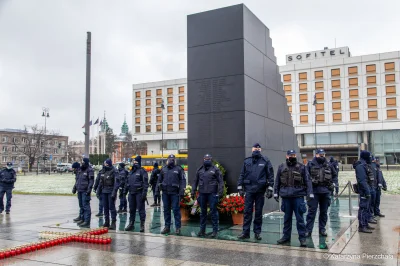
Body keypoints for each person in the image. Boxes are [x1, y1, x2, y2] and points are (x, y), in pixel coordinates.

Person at [274, 150, 312, 247]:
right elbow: (277, 181)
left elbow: (308, 181)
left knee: (300, 219)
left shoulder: (301, 167)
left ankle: (302, 238)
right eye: (290, 155)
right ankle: (286, 237)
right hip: (286, 198)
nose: (292, 156)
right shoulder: (281, 167)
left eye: (294, 155)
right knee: (287, 218)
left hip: (298, 197)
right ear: (287, 156)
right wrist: (275, 193)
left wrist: (310, 193)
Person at [237, 143, 274, 240]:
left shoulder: (265, 161)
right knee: (247, 212)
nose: (256, 149)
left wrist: (270, 188)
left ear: (260, 150)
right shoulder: (247, 161)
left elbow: (270, 175)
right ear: (252, 149)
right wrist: (240, 187)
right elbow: (242, 174)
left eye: (258, 148)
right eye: (255, 148)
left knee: (258, 213)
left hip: (260, 191)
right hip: (249, 190)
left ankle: (257, 233)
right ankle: (245, 232)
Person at [305, 149, 338, 237]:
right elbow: (306, 177)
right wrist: (309, 191)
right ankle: (308, 230)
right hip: (314, 192)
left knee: (324, 212)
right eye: (320, 154)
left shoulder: (329, 165)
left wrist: (333, 184)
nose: (322, 156)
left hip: (325, 191)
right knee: (312, 212)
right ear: (316, 155)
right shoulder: (310, 164)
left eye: (323, 154)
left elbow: (335, 175)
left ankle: (322, 229)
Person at [191, 154, 223, 238]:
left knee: (213, 212)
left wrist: (220, 192)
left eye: (208, 159)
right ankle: (202, 230)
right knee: (203, 213)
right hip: (202, 194)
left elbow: (220, 181)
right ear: (203, 159)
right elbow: (195, 181)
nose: (207, 160)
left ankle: (215, 231)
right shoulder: (200, 170)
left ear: (211, 159)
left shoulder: (215, 169)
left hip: (212, 194)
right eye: (205, 159)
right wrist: (193, 191)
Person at [157, 154, 186, 235]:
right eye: (170, 159)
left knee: (176, 210)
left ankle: (177, 228)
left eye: (173, 159)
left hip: (175, 193)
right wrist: (157, 190)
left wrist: (182, 192)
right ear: (167, 160)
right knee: (166, 210)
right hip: (165, 193)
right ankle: (167, 227)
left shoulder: (179, 169)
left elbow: (183, 181)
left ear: (175, 160)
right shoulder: (163, 169)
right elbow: (159, 181)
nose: (171, 160)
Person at [124, 156, 149, 232]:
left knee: (141, 209)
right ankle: (131, 224)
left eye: (135, 161)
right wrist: (125, 191)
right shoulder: (131, 172)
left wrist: (144, 193)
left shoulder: (142, 171)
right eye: (133, 161)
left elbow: (145, 183)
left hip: (139, 193)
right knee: (132, 209)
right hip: (131, 193)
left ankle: (142, 225)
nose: (134, 163)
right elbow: (127, 182)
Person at [353, 150, 375, 233]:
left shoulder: (365, 165)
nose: (370, 158)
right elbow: (362, 180)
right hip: (364, 191)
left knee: (366, 208)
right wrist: (367, 191)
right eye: (369, 156)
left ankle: (365, 223)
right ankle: (362, 226)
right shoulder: (360, 166)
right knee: (363, 208)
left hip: (367, 189)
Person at [97, 159, 120, 230]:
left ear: (109, 164)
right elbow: (101, 182)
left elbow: (117, 183)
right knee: (105, 207)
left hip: (111, 191)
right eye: (104, 164)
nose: (105, 165)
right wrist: (98, 190)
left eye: (106, 164)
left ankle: (113, 222)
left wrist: (114, 192)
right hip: (104, 191)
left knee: (111, 207)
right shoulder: (103, 171)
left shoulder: (114, 171)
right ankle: (107, 221)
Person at [71, 158, 94, 228]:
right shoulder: (80, 170)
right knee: (81, 205)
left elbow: (91, 181)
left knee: (86, 206)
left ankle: (87, 221)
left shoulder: (90, 170)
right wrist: (75, 188)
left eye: (83, 162)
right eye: (82, 162)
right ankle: (82, 219)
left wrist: (89, 190)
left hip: (85, 191)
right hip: (80, 190)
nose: (82, 163)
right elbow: (77, 180)